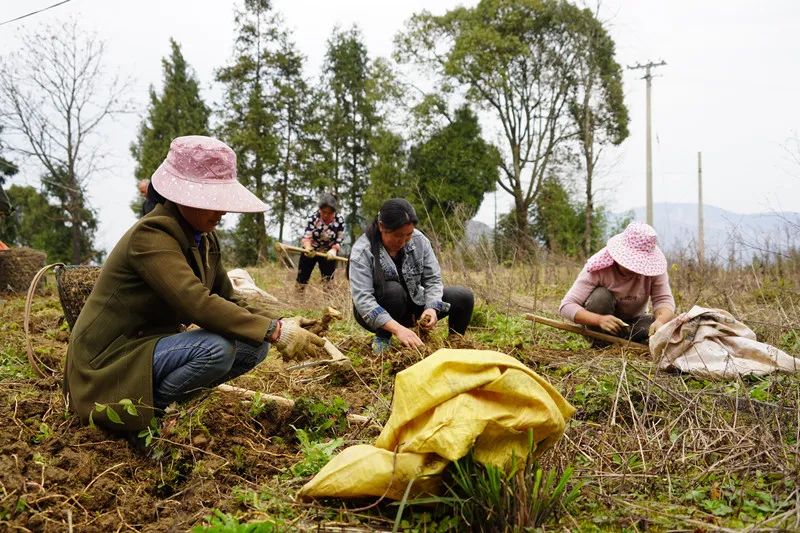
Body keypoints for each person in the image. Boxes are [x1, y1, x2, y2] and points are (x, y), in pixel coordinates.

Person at [63, 135, 325, 433]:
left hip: (149, 347)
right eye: (213, 201)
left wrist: (277, 323)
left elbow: (226, 297)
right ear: (183, 197)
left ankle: (168, 403)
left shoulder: (204, 239)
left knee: (254, 346)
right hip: (110, 362)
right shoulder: (151, 235)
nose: (222, 211)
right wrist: (275, 332)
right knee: (217, 349)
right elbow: (196, 302)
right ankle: (151, 415)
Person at [349, 198, 474, 353]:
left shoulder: (419, 240)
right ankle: (383, 338)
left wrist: (432, 308)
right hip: (377, 311)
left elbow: (433, 279)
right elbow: (363, 300)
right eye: (397, 235)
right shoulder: (362, 251)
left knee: (463, 296)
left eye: (408, 235)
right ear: (382, 226)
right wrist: (398, 329)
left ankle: (455, 344)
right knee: (393, 292)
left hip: (413, 304)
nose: (402, 241)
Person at [559, 221, 676, 344]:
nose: (635, 269)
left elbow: (663, 300)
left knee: (661, 327)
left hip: (633, 323)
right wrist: (599, 320)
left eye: (640, 265)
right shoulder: (598, 268)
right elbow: (566, 306)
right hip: (599, 325)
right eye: (631, 264)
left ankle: (624, 340)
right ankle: (600, 342)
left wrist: (660, 321)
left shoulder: (653, 268)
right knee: (600, 297)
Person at [296, 192, 345, 291]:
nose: (326, 215)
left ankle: (328, 303)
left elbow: (339, 239)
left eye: (329, 213)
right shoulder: (314, 218)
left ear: (334, 212)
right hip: (311, 250)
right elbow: (307, 236)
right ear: (320, 210)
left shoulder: (339, 220)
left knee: (328, 280)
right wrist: (308, 247)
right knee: (302, 277)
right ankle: (298, 298)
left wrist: (334, 250)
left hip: (328, 253)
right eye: (324, 212)